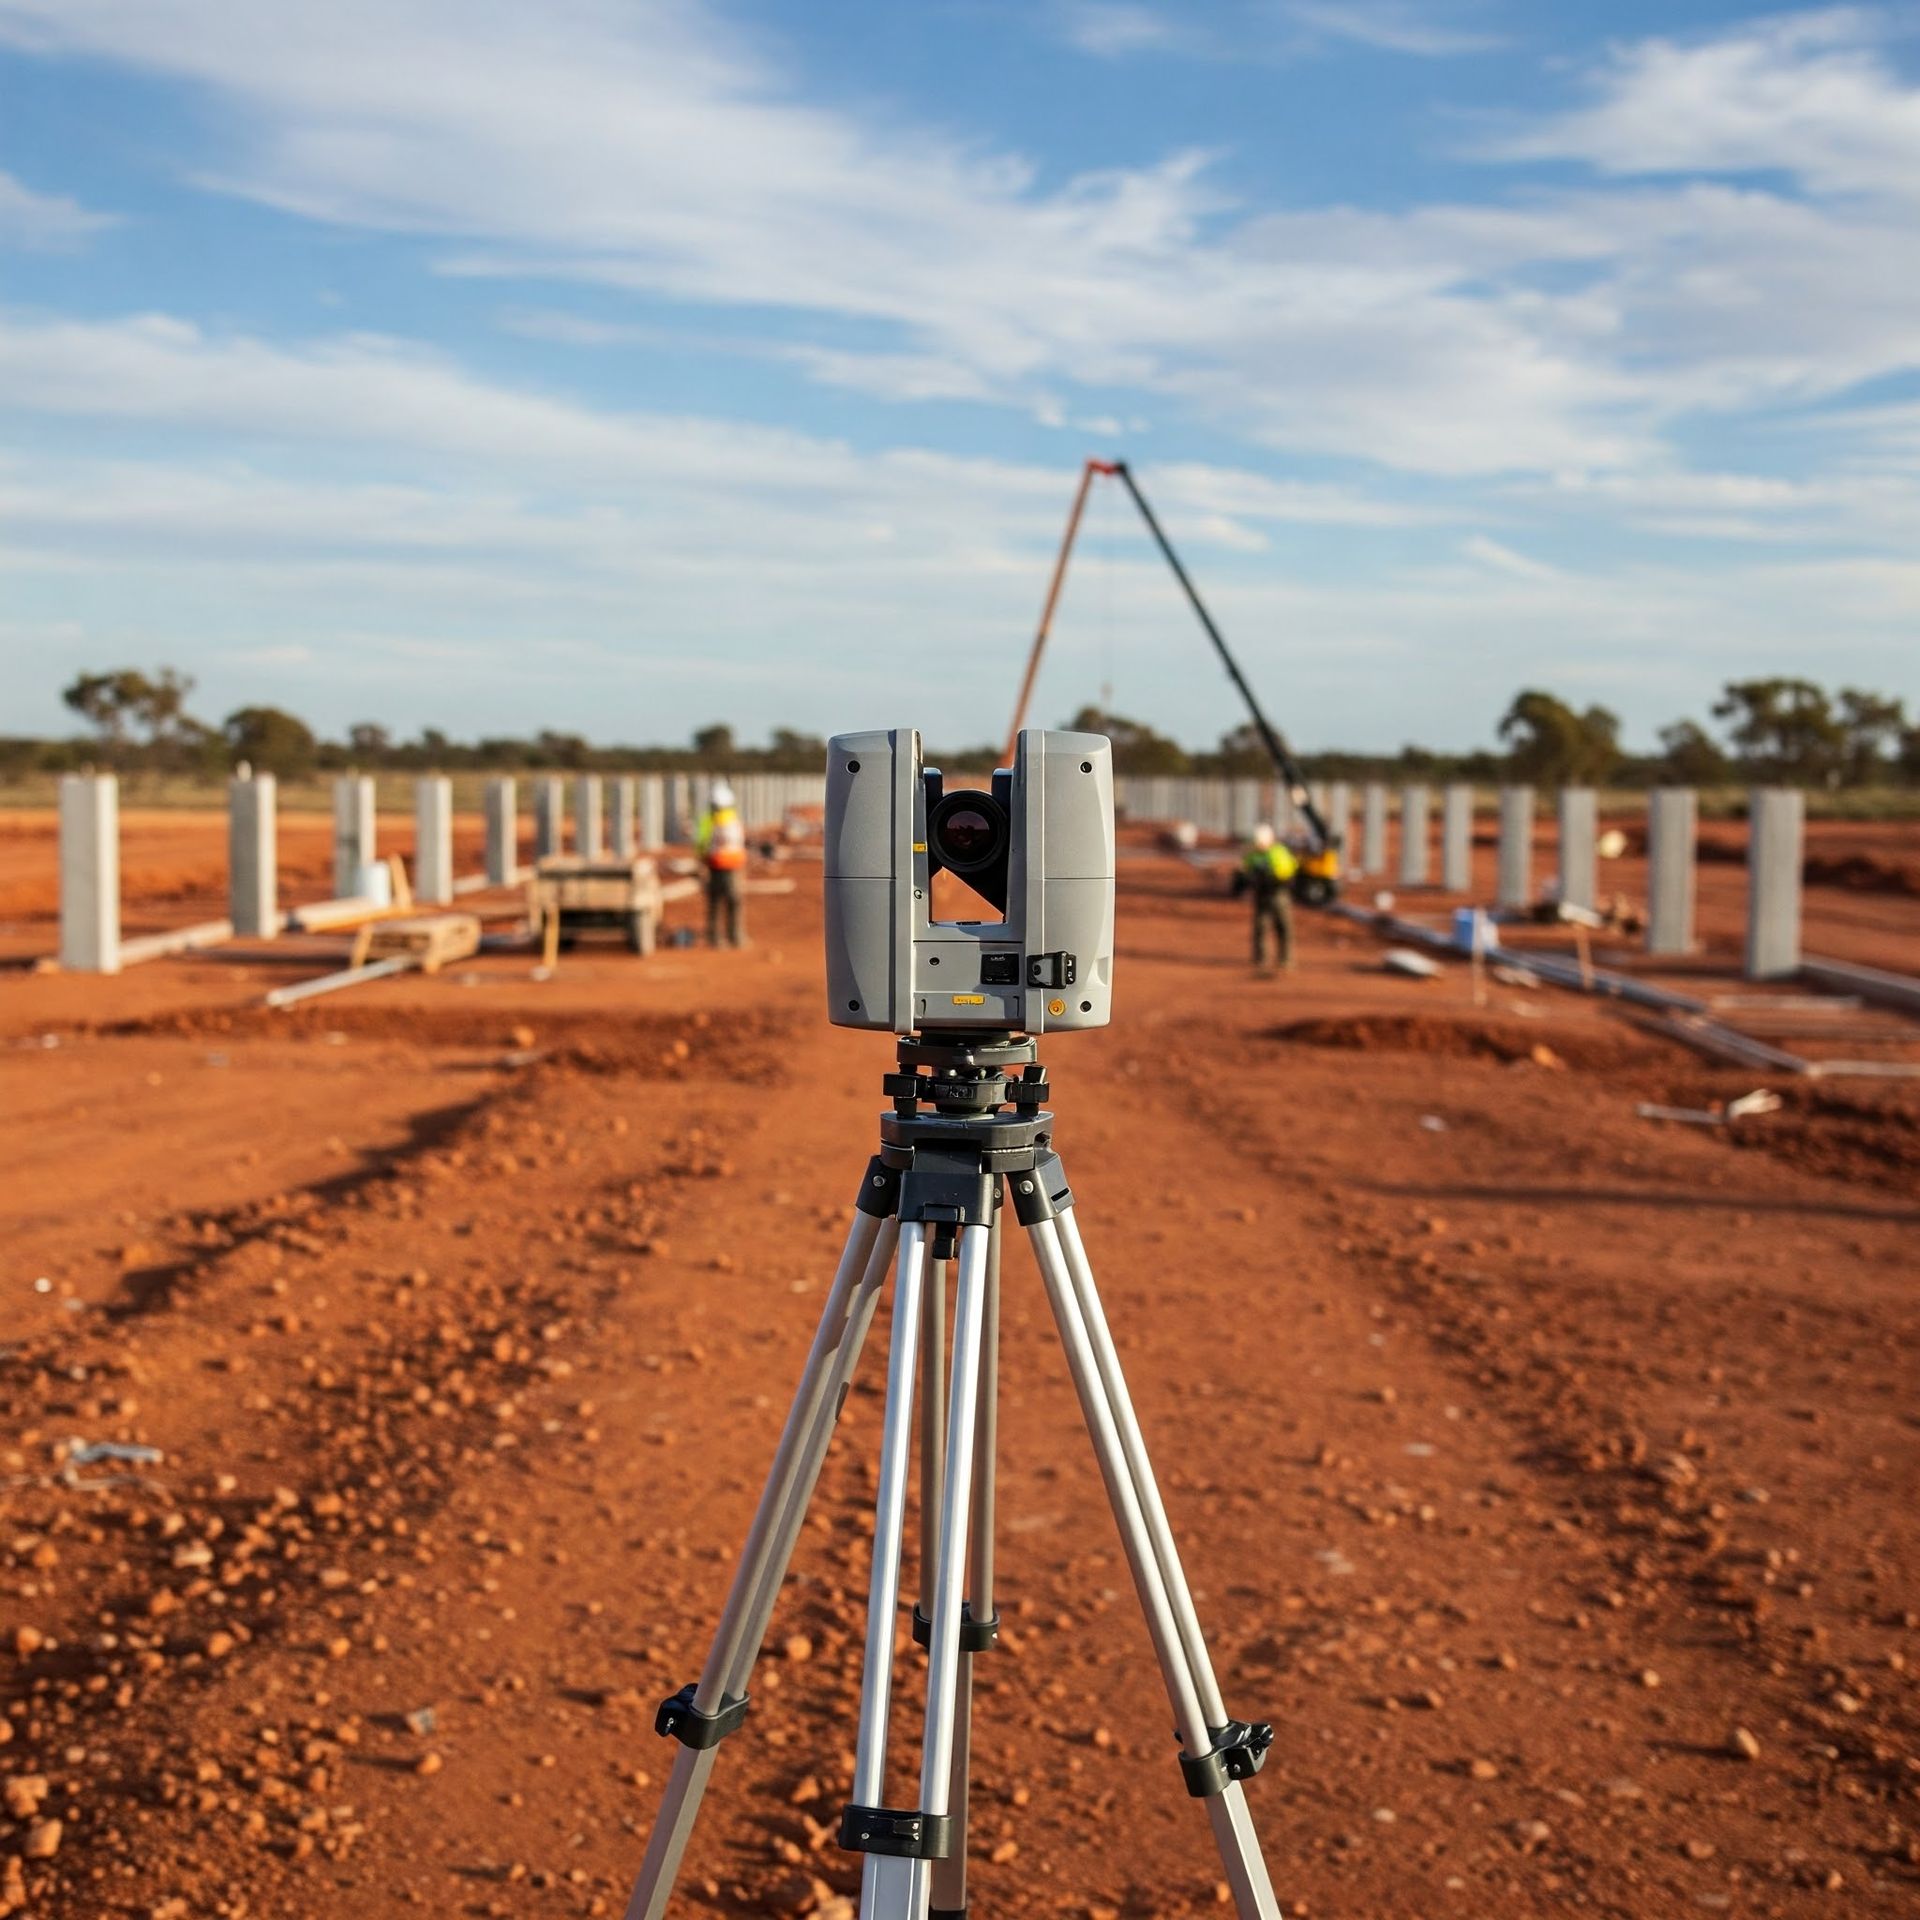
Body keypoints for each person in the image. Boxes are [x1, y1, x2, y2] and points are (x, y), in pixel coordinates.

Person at [1237, 823, 1298, 973]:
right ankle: (1261, 959)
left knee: (1283, 926)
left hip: (1278, 894)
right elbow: (1246, 869)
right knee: (1261, 926)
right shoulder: (1254, 855)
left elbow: (1288, 872)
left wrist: (1271, 877)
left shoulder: (1279, 852)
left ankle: (1285, 959)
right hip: (1262, 894)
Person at [696, 780, 748, 948]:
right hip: (727, 866)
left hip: (718, 865)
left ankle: (717, 937)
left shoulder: (708, 820)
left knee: (717, 902)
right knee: (732, 901)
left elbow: (701, 844)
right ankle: (734, 936)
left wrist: (701, 862)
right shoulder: (732, 819)